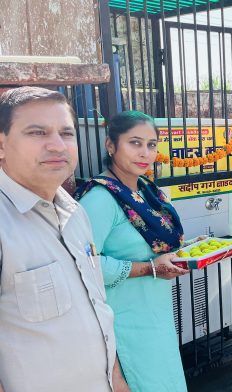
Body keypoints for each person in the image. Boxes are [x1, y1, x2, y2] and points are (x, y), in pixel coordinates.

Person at [0, 86, 127, 391]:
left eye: (67, 133)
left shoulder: (75, 212)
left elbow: (97, 310)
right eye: (37, 132)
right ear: (1, 145)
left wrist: (118, 381)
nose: (57, 145)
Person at [75, 111, 192, 391]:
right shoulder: (101, 199)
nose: (145, 153)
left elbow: (159, 246)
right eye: (135, 143)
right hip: (125, 323)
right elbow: (82, 265)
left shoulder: (148, 192)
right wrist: (149, 269)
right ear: (111, 145)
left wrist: (190, 249)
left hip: (156, 315)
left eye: (151, 145)